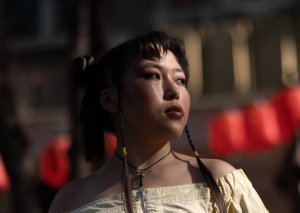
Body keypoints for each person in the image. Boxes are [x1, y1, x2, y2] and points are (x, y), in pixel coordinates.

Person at [49, 31, 268, 213]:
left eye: (180, 80)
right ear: (110, 99)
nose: (174, 91)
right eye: (153, 76)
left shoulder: (220, 180)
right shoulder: (72, 201)